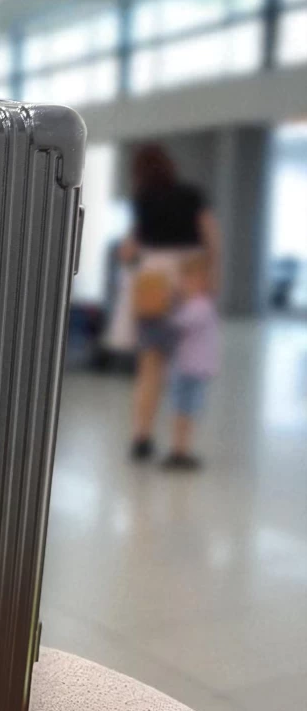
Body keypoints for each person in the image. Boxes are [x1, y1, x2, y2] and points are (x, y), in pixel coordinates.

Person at [121, 144, 221, 461]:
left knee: (150, 366)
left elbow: (129, 250)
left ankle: (142, 436)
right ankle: (180, 445)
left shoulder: (143, 200)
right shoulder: (192, 195)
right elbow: (211, 238)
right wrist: (212, 277)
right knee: (187, 365)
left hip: (154, 283)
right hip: (189, 277)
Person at [163, 252, 220, 471]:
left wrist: (167, 307)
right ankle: (179, 449)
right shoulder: (198, 305)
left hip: (190, 368)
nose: (184, 284)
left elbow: (180, 323)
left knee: (184, 411)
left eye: (190, 279)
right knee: (183, 411)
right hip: (189, 368)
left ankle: (181, 450)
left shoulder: (199, 306)